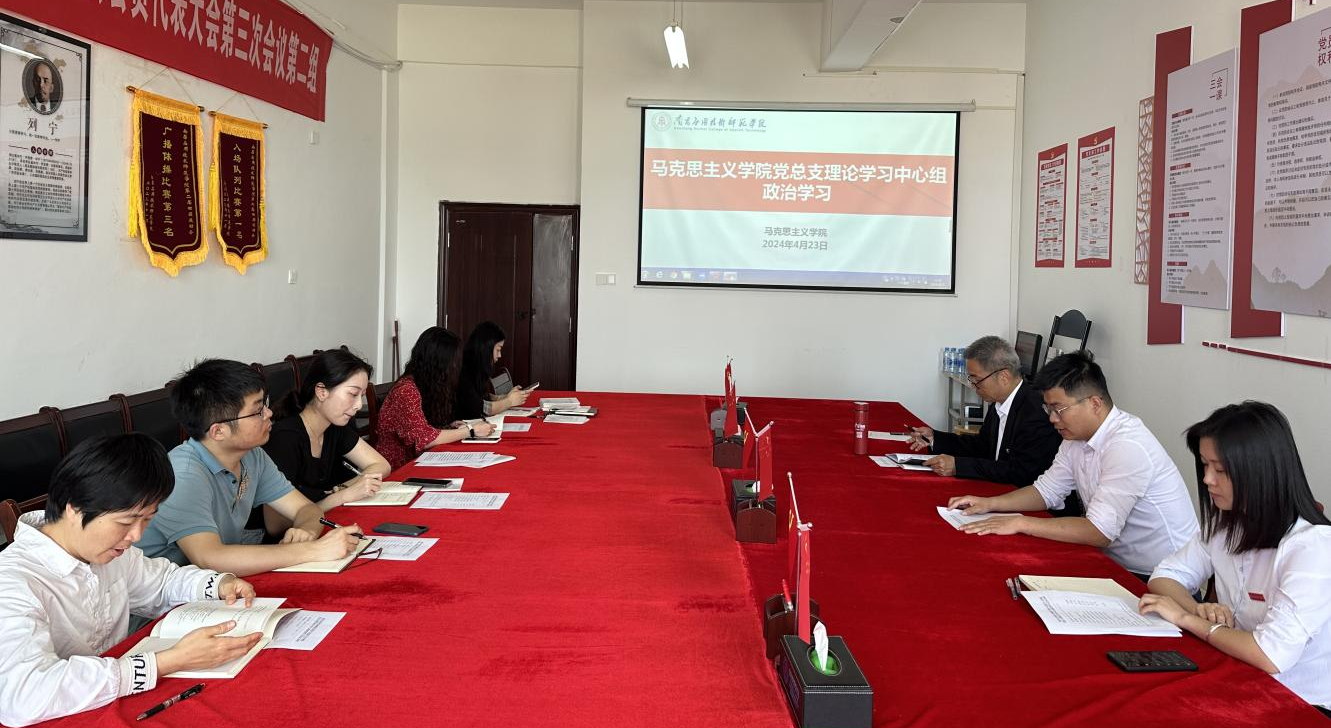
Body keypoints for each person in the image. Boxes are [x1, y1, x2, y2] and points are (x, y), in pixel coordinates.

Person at [0, 435, 264, 727]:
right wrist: (167, 662)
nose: (136, 536)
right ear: (74, 508)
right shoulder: (12, 582)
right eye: (126, 522)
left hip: (115, 704)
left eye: (147, 519)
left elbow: (162, 583)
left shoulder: (106, 551)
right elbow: (22, 695)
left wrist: (218, 585)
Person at [1141, 402, 1331, 715]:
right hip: (1239, 674)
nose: (1207, 479)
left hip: (1300, 702)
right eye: (1205, 465)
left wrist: (1187, 619)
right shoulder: (1226, 523)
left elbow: (1270, 655)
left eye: (1220, 470)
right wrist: (1197, 608)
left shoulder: (1312, 547)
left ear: (1259, 471)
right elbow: (1165, 576)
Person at [946, 351, 1199, 580]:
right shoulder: (1075, 437)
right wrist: (990, 504)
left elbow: (1099, 531)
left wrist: (1020, 523)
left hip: (1159, 575)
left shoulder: (1127, 446)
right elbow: (1046, 491)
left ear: (1094, 404)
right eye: (1048, 409)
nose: (1052, 419)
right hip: (1111, 560)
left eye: (1059, 409)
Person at [136, 359, 362, 576]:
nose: (269, 413)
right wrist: (313, 550)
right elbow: (210, 558)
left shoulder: (252, 455)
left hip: (215, 582)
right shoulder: (183, 475)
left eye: (265, 404)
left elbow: (307, 509)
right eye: (257, 411)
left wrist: (305, 532)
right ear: (218, 431)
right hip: (162, 596)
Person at [908, 336, 1067, 501]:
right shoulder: (999, 401)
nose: (973, 386)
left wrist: (958, 466)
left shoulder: (1036, 411)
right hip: (999, 489)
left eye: (977, 380)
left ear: (1004, 377)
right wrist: (935, 438)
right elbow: (982, 446)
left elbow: (1021, 472)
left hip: (1028, 499)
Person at [255, 349, 392, 536]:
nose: (359, 405)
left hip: (318, 525)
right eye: (353, 394)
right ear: (321, 392)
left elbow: (381, 465)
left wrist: (342, 489)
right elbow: (276, 525)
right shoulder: (284, 438)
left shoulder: (334, 427)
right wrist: (342, 495)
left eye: (361, 396)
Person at [375, 326, 495, 469]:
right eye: (453, 362)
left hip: (422, 460)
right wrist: (470, 430)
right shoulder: (406, 390)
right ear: (439, 363)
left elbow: (423, 426)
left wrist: (449, 427)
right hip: (400, 468)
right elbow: (424, 439)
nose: (456, 367)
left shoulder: (424, 385)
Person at [454, 321, 534, 420]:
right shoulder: (464, 370)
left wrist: (505, 397)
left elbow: (481, 396)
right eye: (498, 350)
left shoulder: (477, 366)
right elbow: (481, 408)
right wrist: (509, 401)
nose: (499, 355)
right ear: (486, 348)